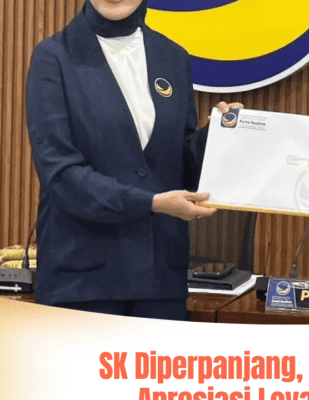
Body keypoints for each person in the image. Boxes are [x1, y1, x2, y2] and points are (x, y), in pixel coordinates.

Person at [26, 0, 241, 320]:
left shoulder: (173, 57)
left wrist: (217, 136)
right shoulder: (53, 57)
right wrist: (151, 203)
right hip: (83, 283)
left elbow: (180, 166)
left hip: (160, 280)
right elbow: (61, 175)